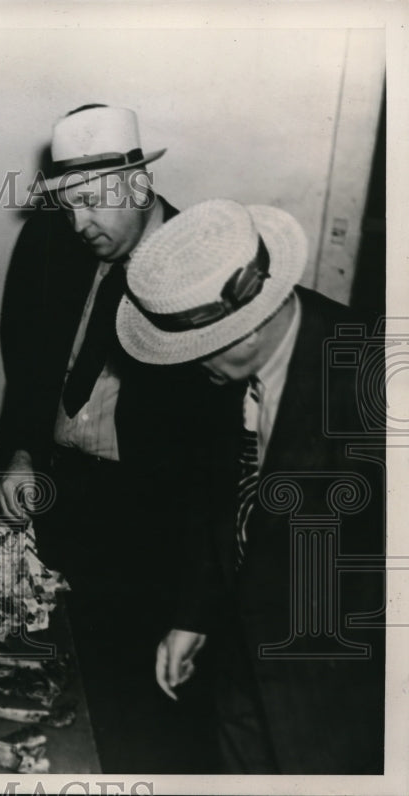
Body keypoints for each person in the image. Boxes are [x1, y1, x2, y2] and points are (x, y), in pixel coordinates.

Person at [115, 198, 385, 773]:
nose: (189, 365)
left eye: (198, 348)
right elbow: (219, 500)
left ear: (252, 324)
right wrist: (193, 615)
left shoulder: (376, 380)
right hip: (241, 677)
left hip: (340, 699)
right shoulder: (221, 375)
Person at [0, 105, 213, 770]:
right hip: (56, 494)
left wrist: (196, 603)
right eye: (67, 204)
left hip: (149, 528)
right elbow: (28, 365)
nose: (78, 223)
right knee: (30, 686)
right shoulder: (50, 243)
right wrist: (22, 453)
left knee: (124, 714)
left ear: (139, 188)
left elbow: (217, 457)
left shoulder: (198, 265)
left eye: (91, 203)